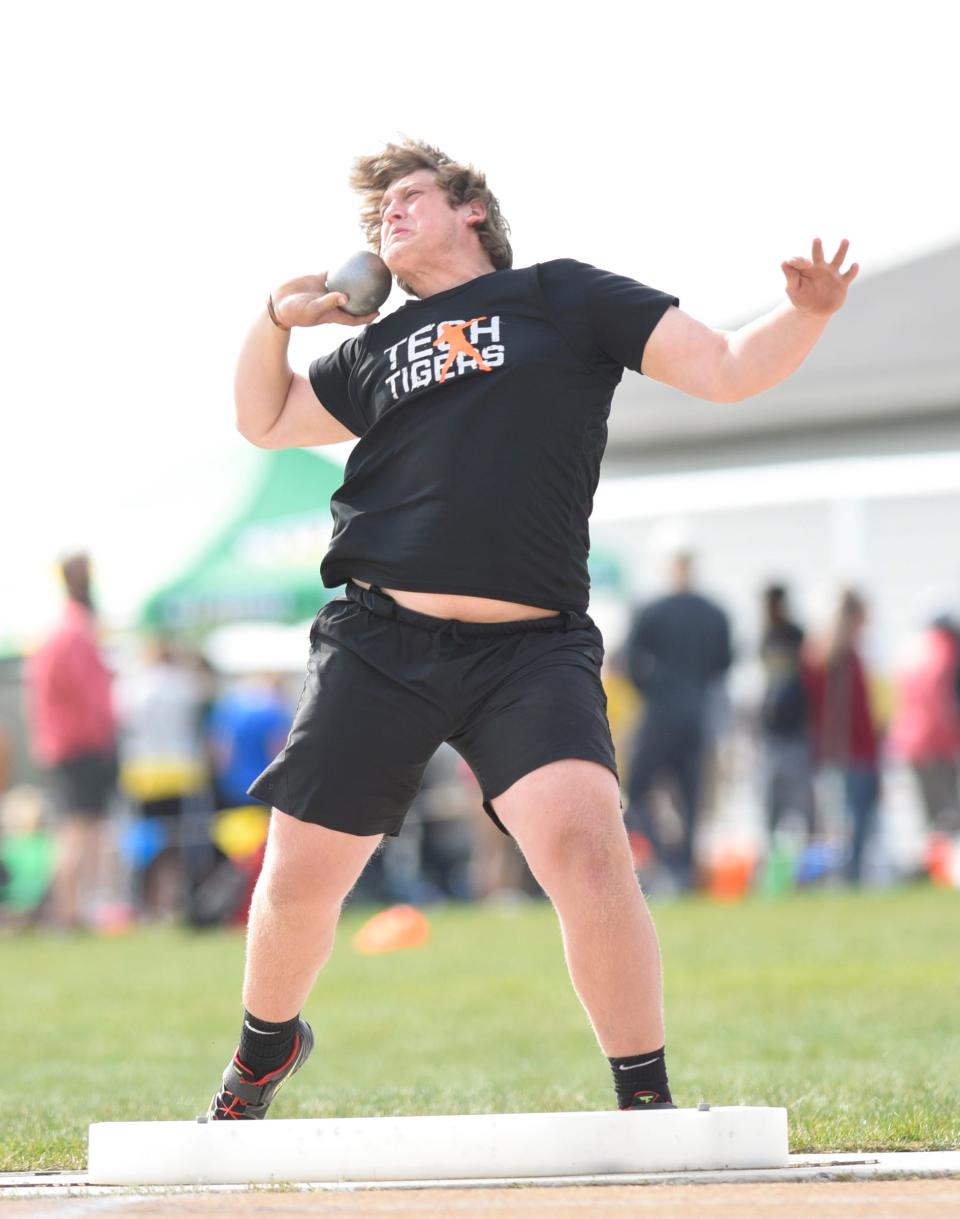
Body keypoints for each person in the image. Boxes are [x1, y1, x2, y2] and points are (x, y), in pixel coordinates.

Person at [207, 138, 859, 1120]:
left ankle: (645, 1096)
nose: (386, 213)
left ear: (471, 208)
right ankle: (263, 1053)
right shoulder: (378, 348)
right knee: (300, 872)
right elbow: (265, 420)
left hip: (529, 649)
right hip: (380, 638)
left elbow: (725, 369)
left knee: (590, 849)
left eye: (407, 195)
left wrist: (805, 315)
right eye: (375, 210)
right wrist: (271, 320)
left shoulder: (564, 297)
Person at [623, 553, 733, 891]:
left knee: (637, 791)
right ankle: (682, 865)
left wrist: (653, 690)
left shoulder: (653, 611)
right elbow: (723, 661)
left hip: (660, 715)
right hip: (696, 715)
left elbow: (630, 660)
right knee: (690, 797)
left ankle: (667, 857)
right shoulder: (713, 613)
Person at [25, 552, 118, 929]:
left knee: (75, 827)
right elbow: (91, 696)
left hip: (62, 744)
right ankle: (73, 910)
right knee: (82, 830)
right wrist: (103, 734)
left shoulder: (56, 630)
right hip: (82, 744)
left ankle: (72, 909)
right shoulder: (76, 630)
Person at [806, 590, 882, 884]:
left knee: (847, 821)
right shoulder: (842, 658)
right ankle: (846, 878)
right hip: (851, 752)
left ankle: (848, 877)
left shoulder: (829, 655)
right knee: (850, 824)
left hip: (847, 751)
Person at [889, 614, 960, 837]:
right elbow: (944, 704)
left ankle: (933, 860)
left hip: (910, 742)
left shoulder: (913, 652)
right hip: (938, 742)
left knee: (930, 815)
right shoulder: (947, 653)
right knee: (947, 814)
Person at [758, 584, 816, 841]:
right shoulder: (765, 637)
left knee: (803, 801)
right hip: (771, 733)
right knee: (770, 802)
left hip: (795, 731)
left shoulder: (796, 636)